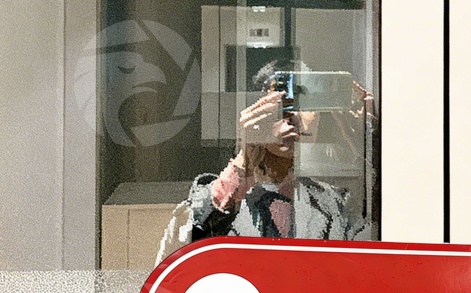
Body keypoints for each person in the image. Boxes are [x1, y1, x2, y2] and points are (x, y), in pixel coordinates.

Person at [157, 61, 375, 262]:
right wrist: (246, 157)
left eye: (305, 102)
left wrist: (367, 143)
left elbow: (371, 249)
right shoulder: (220, 197)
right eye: (280, 103)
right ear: (255, 112)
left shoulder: (332, 202)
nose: (292, 115)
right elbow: (178, 257)